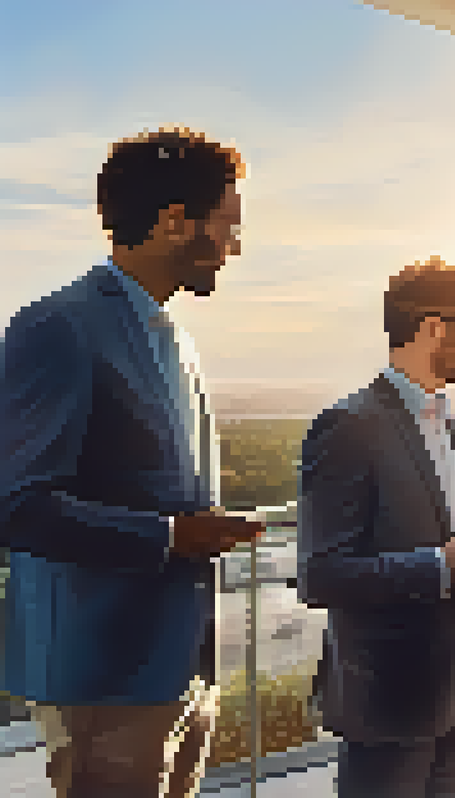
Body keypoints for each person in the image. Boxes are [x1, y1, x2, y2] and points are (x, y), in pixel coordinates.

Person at [0, 127, 264, 798]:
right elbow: (19, 505)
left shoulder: (174, 339)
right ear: (175, 222)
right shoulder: (57, 327)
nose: (234, 246)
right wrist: (173, 537)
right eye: (227, 225)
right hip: (103, 679)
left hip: (180, 671)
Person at [297, 256, 455, 798]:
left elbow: (451, 550)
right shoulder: (348, 426)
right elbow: (320, 575)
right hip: (387, 703)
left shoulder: (454, 431)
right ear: (433, 328)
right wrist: (440, 566)